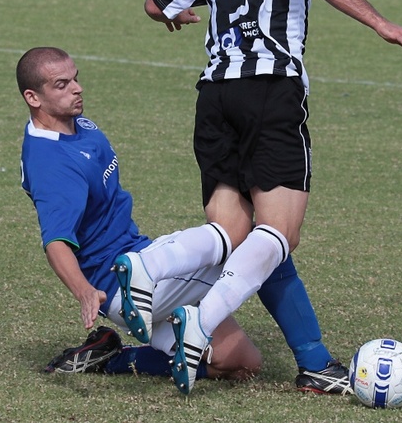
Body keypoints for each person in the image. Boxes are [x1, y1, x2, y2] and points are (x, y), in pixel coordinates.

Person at [118, 0, 402, 396]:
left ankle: (307, 357)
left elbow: (156, 3)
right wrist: (383, 23)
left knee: (241, 238)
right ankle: (195, 316)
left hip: (214, 95)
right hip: (270, 88)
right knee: (280, 233)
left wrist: (178, 16)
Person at [18, 46, 350, 394]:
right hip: (122, 283)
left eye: (76, 78)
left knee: (241, 363)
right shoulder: (51, 163)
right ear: (33, 97)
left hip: (141, 265)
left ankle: (110, 357)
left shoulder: (76, 126)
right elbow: (55, 241)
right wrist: (85, 291)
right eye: (61, 84)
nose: (77, 88)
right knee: (263, 243)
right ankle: (315, 362)